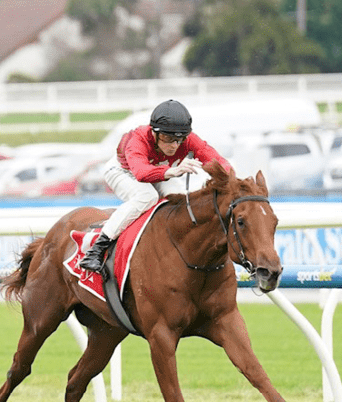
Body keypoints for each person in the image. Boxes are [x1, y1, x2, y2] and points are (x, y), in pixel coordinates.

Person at [78, 99, 231, 273]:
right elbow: (141, 173)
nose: (174, 145)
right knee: (146, 196)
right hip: (123, 171)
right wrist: (172, 172)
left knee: (180, 198)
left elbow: (215, 159)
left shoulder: (188, 140)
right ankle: (96, 249)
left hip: (159, 171)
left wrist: (233, 180)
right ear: (154, 133)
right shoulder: (137, 138)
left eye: (179, 139)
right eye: (167, 138)